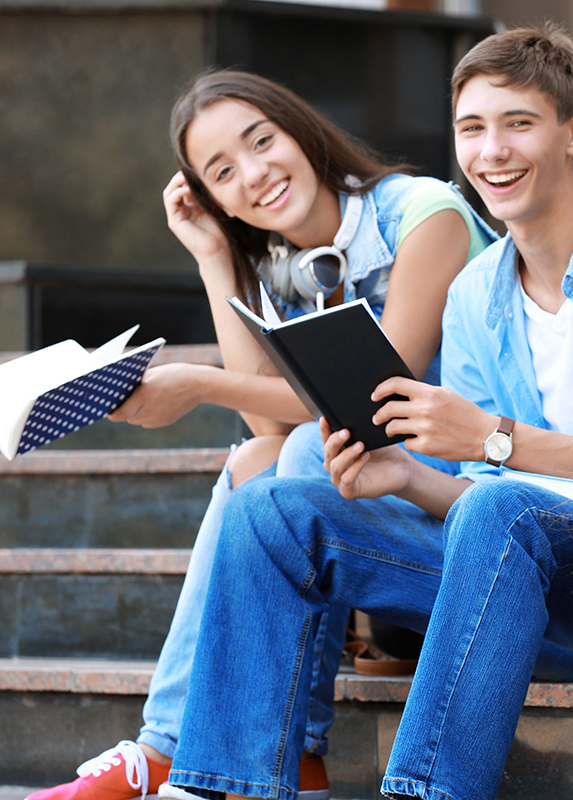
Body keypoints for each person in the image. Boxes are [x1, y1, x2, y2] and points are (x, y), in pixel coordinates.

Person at [156, 24, 573, 800]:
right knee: (275, 508)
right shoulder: (476, 295)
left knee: (504, 506)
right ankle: (225, 787)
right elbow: (474, 511)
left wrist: (495, 440)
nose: (493, 151)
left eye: (518, 124)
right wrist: (401, 476)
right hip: (516, 587)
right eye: (472, 129)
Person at [27, 69, 496, 800]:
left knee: (307, 448)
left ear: (300, 130)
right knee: (257, 457)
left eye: (261, 140)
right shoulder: (281, 268)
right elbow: (268, 426)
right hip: (370, 538)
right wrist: (214, 257)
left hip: (474, 523)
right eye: (222, 172)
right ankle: (205, 750)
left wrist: (200, 383)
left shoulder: (424, 213)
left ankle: (217, 751)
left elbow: (371, 403)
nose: (254, 174)